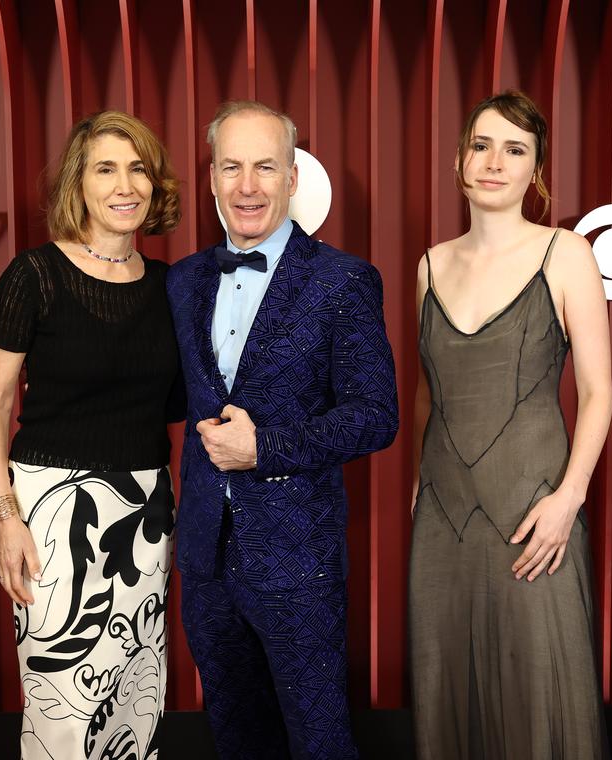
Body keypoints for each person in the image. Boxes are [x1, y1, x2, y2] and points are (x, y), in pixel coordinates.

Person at [166, 100, 399, 759]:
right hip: (206, 558)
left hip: (299, 559)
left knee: (320, 742)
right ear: (211, 178)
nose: (247, 185)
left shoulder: (343, 281)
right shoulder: (183, 283)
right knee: (237, 739)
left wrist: (264, 447)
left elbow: (376, 417)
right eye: (232, 167)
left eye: (265, 167)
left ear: (293, 178)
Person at [0, 110, 183, 760]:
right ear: (79, 184)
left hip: (146, 510)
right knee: (59, 701)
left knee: (134, 694)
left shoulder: (173, 287)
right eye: (106, 169)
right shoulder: (33, 276)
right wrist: (5, 516)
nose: (126, 185)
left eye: (138, 167)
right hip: (50, 514)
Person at [409, 90, 612, 759]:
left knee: (542, 690)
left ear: (536, 171)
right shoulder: (430, 265)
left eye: (515, 149)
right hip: (442, 516)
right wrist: (418, 487)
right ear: (460, 161)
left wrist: (570, 499)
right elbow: (426, 391)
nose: (495, 162)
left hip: (536, 509)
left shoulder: (567, 252)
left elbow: (597, 389)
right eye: (482, 145)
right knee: (446, 689)